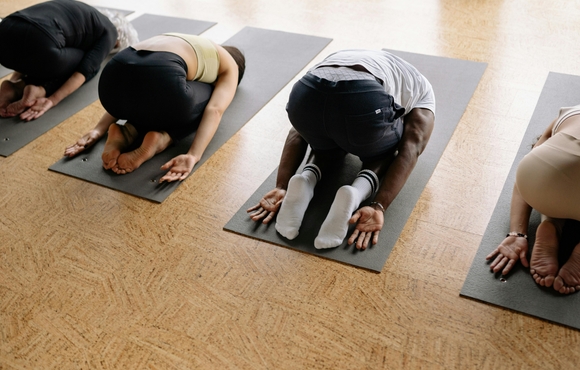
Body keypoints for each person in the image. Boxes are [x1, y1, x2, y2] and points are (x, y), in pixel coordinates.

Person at [247, 49, 435, 250]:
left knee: (326, 132)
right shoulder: (423, 91)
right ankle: (356, 192)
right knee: (384, 141)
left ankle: (305, 179)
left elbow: (297, 132)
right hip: (363, 100)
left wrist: (281, 184)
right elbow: (411, 147)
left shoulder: (343, 56)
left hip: (305, 92)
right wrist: (379, 205)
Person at [64, 33, 245, 183]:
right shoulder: (230, 66)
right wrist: (193, 155)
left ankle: (128, 131)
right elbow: (214, 109)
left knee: (149, 88)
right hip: (162, 80)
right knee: (210, 95)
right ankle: (161, 139)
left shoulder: (185, 39)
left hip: (111, 83)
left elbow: (138, 76)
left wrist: (98, 130)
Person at [486, 105, 580, 294]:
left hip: (537, 176)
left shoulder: (570, 111)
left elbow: (521, 185)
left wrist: (517, 234)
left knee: (551, 183)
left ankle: (550, 223)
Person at [0, 0, 138, 121]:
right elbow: (83, 71)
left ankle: (15, 86)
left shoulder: (78, 9)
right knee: (92, 63)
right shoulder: (111, 30)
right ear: (119, 40)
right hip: (43, 46)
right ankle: (38, 89)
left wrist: (14, 78)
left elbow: (28, 38)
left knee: (41, 46)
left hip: (6, 33)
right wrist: (51, 101)